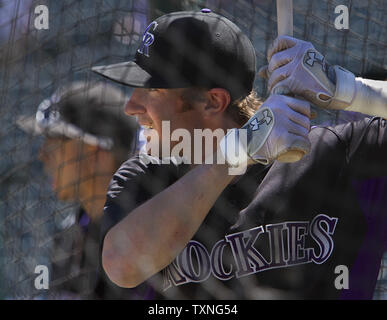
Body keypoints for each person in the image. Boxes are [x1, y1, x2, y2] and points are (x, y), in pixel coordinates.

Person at [92, 9, 387, 299]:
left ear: (213, 101)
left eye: (153, 90)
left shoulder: (330, 154)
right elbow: (122, 265)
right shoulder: (145, 176)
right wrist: (237, 152)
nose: (130, 107)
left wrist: (340, 87)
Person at [17, 81, 153, 299]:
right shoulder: (69, 237)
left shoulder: (155, 224)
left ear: (96, 149)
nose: (42, 155)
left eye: (55, 141)